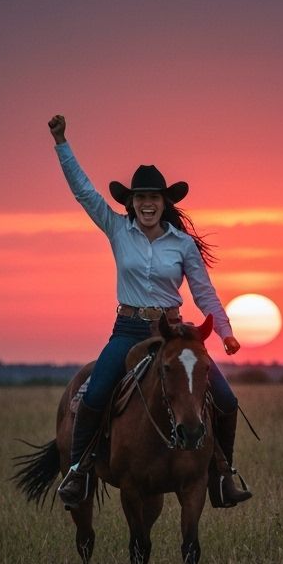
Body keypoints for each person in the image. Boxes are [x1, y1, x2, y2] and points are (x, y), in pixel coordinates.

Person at [46, 114, 253, 511]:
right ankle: (78, 470)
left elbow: (203, 292)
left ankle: (222, 475)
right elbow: (84, 192)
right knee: (95, 394)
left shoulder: (183, 245)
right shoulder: (116, 228)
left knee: (226, 399)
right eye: (139, 198)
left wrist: (225, 332)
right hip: (126, 330)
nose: (146, 204)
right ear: (130, 203)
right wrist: (61, 142)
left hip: (173, 333)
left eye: (153, 198)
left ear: (165, 203)